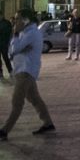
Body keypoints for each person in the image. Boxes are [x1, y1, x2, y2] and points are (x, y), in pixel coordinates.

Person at [0, 9, 55, 141]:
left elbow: (13, 50)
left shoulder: (30, 33)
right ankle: (48, 123)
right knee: (34, 99)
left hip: (26, 71)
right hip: (23, 70)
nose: (15, 21)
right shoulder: (26, 32)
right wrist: (17, 48)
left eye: (18, 18)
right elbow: (11, 52)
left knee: (17, 102)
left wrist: (15, 35)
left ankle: (4, 130)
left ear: (26, 20)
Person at [0, 13, 13, 83]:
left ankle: (10, 71)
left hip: (4, 43)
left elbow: (9, 32)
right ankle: (0, 73)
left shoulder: (6, 23)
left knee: (6, 58)